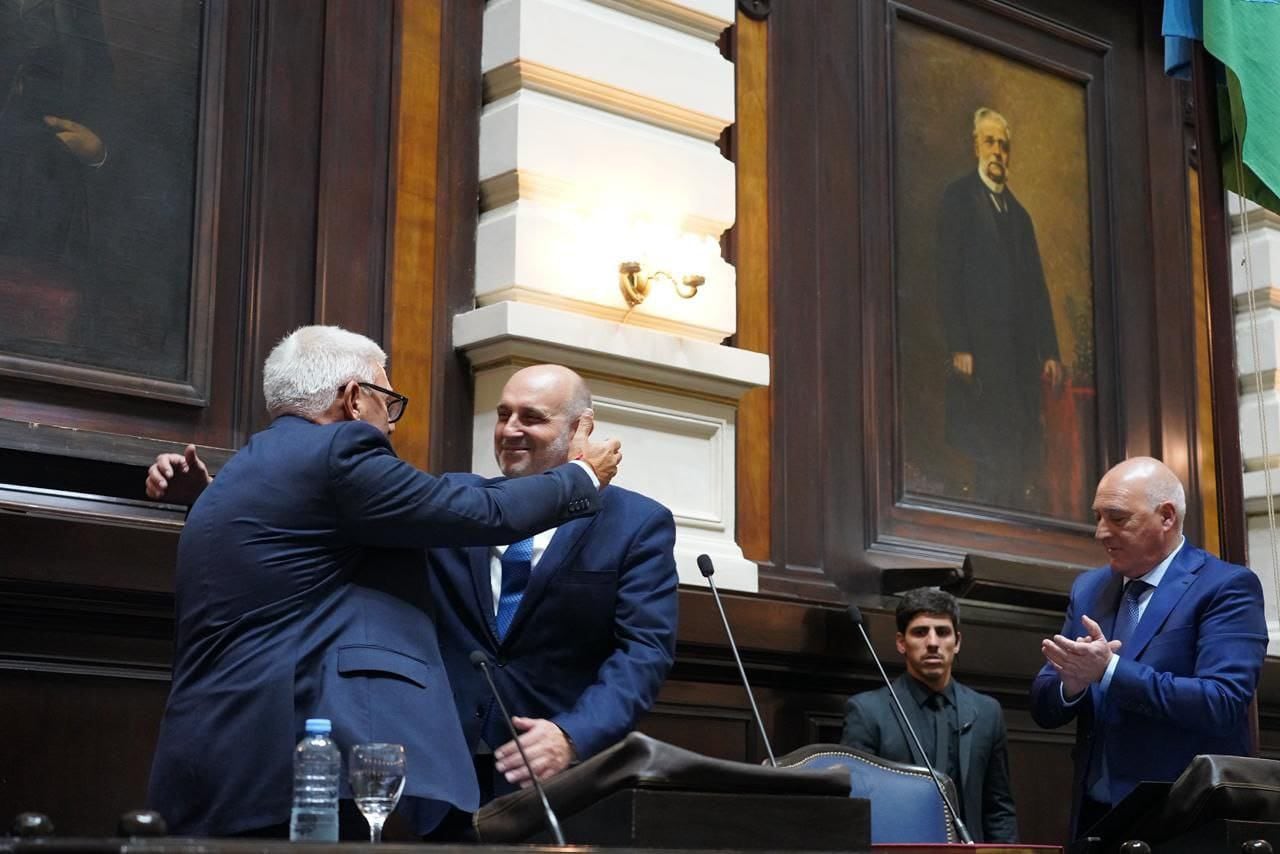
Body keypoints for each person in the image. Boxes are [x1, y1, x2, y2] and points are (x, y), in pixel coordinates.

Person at [145, 326, 622, 838]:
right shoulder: (341, 452)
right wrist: (582, 477)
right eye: (387, 402)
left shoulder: (240, 475)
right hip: (289, 766)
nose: (390, 428)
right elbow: (481, 511)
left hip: (210, 756)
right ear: (353, 399)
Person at [428, 364, 678, 812]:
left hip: (557, 785)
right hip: (441, 775)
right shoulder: (457, 501)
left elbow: (644, 652)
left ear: (582, 427)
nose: (510, 430)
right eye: (504, 415)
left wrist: (573, 734)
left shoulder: (636, 524)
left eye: (532, 417)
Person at [1030, 457, 1268, 839]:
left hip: (1184, 821)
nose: (1100, 532)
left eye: (1117, 518)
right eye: (1098, 517)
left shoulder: (1226, 587)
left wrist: (1109, 671)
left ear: (1167, 517)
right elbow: (1044, 702)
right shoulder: (1089, 589)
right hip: (1096, 821)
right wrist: (1070, 686)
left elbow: (1222, 701)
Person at [937, 107, 1062, 511]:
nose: (997, 152)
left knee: (1018, 438)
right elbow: (947, 276)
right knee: (985, 440)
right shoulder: (958, 200)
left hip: (1018, 354)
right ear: (976, 146)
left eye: (1004, 146)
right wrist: (959, 344)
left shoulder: (1021, 217)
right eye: (990, 142)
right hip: (979, 350)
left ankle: (1012, 514)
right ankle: (988, 515)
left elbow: (1037, 289)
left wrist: (1050, 352)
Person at [840, 587, 1018, 844]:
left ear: (957, 642)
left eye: (942, 632)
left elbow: (998, 808)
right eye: (920, 632)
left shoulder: (987, 712)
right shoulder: (868, 712)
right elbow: (855, 810)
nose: (933, 642)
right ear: (902, 643)